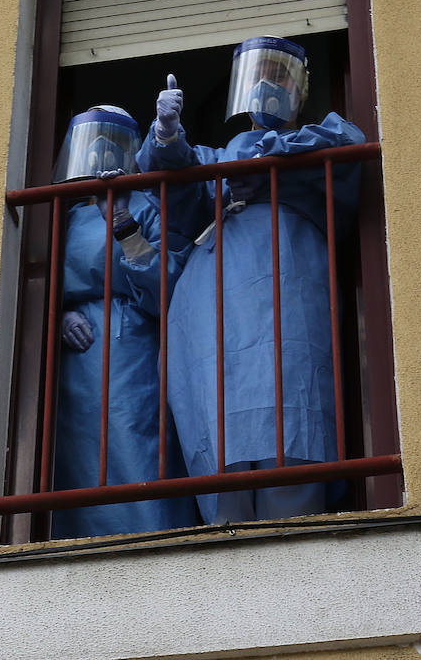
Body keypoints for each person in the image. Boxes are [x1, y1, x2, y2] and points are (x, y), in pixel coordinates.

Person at [137, 37, 365, 523]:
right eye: (260, 76)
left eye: (282, 78)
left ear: (300, 91)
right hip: (214, 296)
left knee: (292, 416)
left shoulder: (321, 137)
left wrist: (267, 162)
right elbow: (174, 185)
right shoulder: (215, 157)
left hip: (290, 284)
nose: (268, 86)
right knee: (220, 422)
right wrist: (166, 132)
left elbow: (347, 148)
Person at [49, 105, 200, 538]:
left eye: (110, 144)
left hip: (134, 345)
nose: (99, 154)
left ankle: (151, 540)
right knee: (77, 453)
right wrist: (57, 314)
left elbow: (170, 287)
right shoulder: (64, 214)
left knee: (137, 442)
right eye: (90, 144)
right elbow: (39, 280)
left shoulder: (149, 205)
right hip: (75, 360)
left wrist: (126, 229)